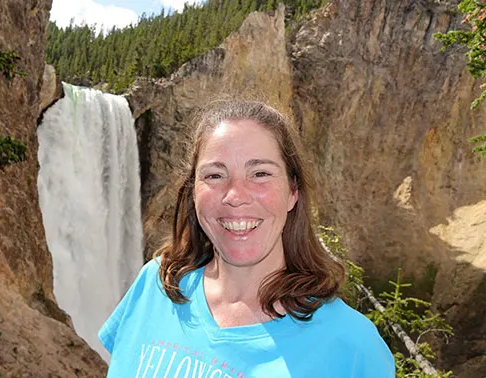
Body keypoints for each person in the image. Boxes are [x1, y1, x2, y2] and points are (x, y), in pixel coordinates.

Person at [98, 100, 395, 377]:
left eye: (260, 173)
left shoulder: (352, 347)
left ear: (293, 191)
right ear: (192, 191)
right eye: (214, 175)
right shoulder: (155, 285)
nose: (235, 196)